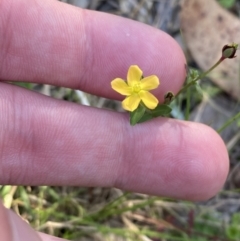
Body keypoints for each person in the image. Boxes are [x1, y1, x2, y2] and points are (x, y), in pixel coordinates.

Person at [0, 0, 229, 240]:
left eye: (140, 84)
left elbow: (149, 101)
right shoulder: (130, 92)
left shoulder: (147, 97)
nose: (139, 85)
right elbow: (132, 96)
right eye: (137, 83)